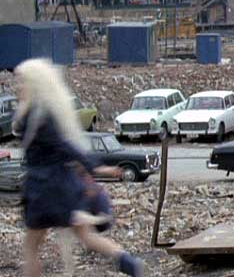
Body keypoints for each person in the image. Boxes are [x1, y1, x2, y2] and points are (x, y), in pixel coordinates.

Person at [12, 59, 144, 277]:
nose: (19, 86)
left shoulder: (36, 116)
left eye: (22, 81)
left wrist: (97, 168)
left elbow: (66, 147)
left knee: (31, 247)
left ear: (34, 84)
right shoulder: (47, 113)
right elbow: (67, 147)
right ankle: (128, 263)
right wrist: (94, 169)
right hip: (63, 188)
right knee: (86, 236)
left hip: (44, 189)